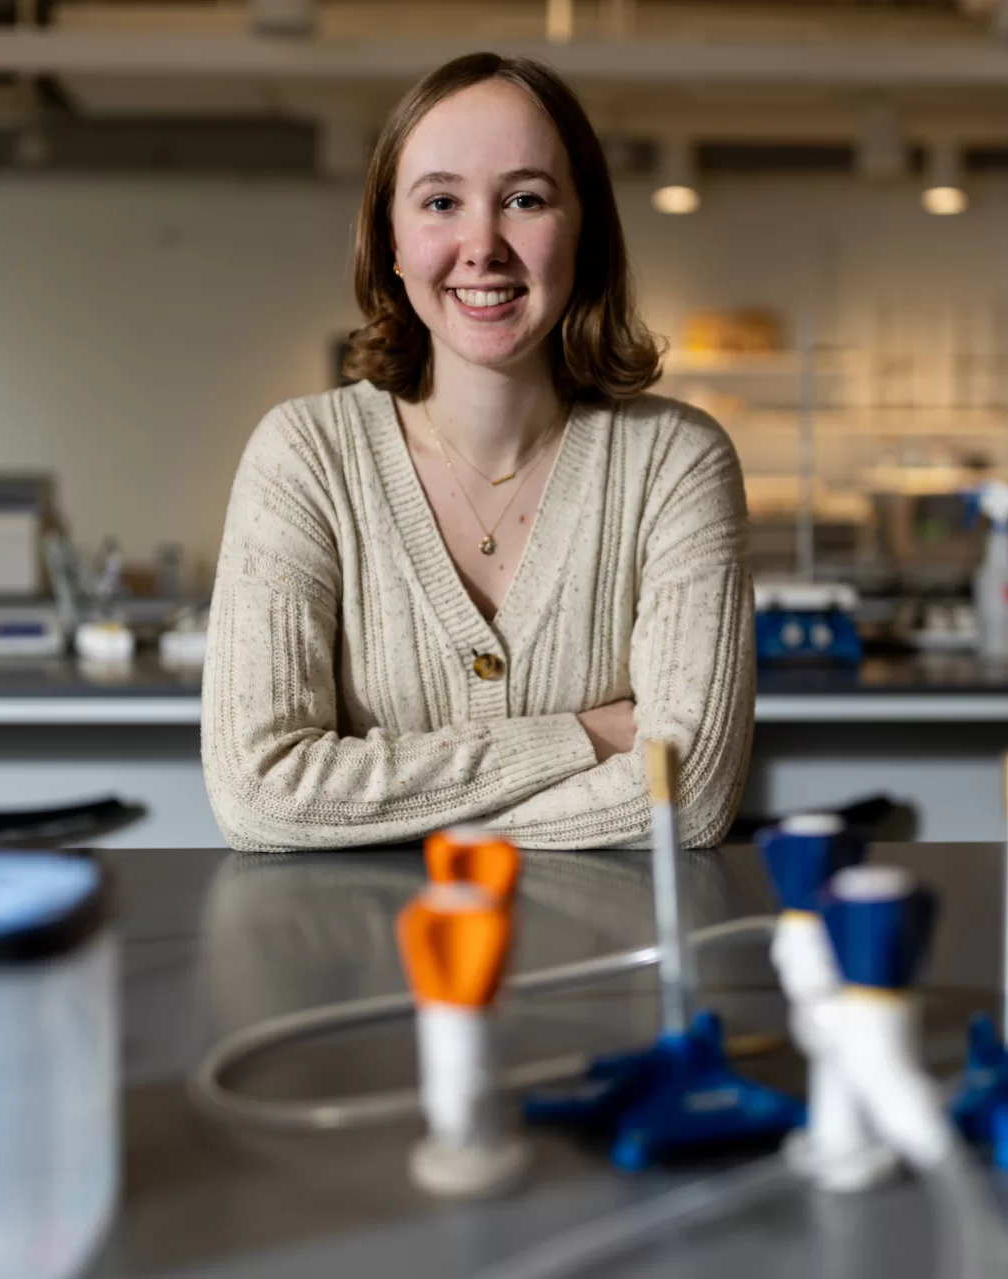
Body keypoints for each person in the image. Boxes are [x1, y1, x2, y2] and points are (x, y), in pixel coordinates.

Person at [202, 52, 753, 851]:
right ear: (389, 239)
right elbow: (261, 795)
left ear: (583, 232)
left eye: (525, 198)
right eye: (439, 202)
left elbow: (690, 796)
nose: (482, 244)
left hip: (607, 962)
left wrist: (378, 813)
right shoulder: (304, 458)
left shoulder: (676, 461)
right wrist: (581, 740)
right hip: (363, 961)